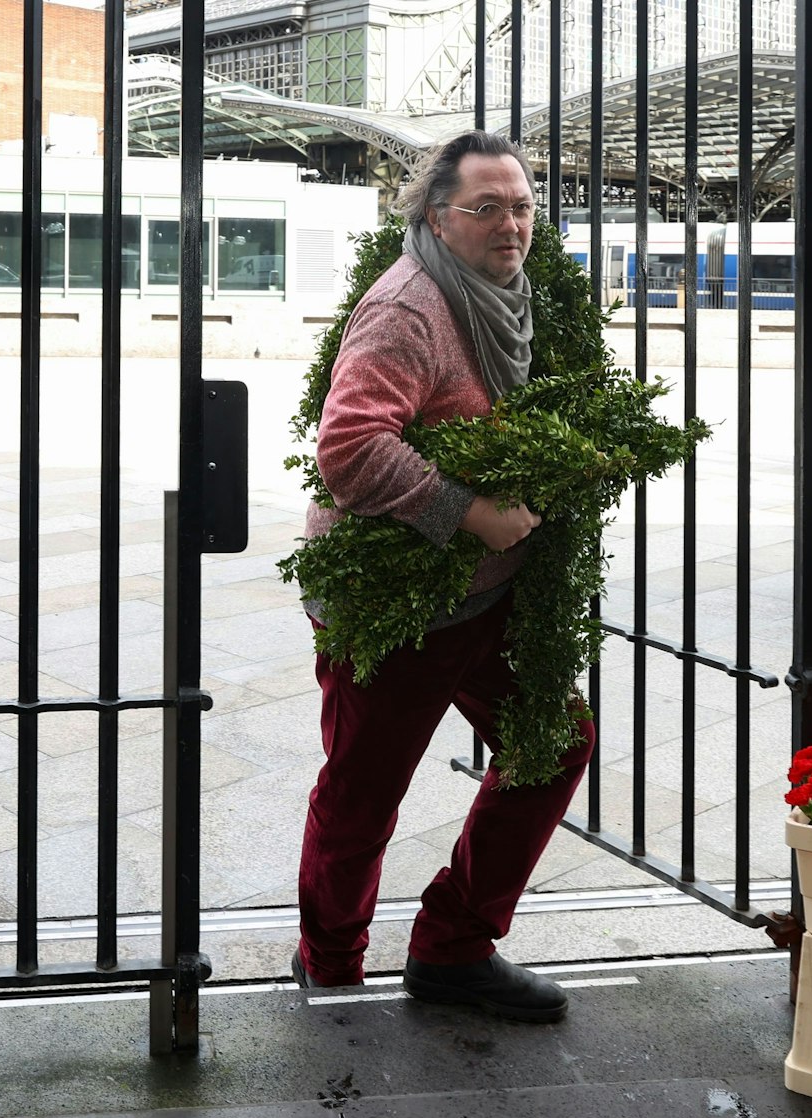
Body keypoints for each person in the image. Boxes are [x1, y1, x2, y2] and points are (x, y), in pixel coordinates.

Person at [290, 130, 596, 1023]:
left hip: (483, 594)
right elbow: (349, 447)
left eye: (523, 205)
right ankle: (332, 967)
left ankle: (454, 944)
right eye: (487, 207)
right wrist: (471, 510)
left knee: (553, 742)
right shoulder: (410, 310)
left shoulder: (506, 295)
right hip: (399, 605)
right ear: (437, 216)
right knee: (363, 791)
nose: (512, 224)